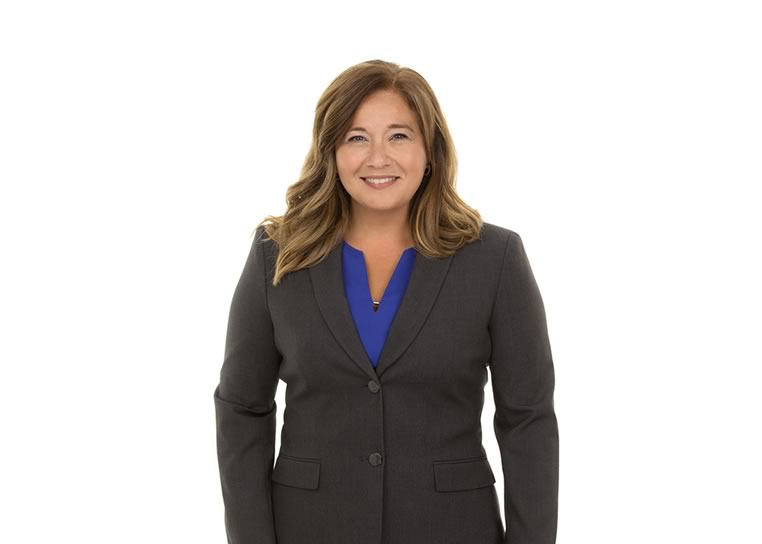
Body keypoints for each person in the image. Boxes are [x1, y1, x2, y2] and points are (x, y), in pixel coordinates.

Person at [213, 59, 559, 544]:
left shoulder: (494, 259)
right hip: (308, 528)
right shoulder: (278, 256)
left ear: (430, 150)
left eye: (399, 136)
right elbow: (242, 409)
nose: (378, 158)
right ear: (332, 152)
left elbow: (528, 420)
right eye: (357, 138)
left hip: (452, 529)